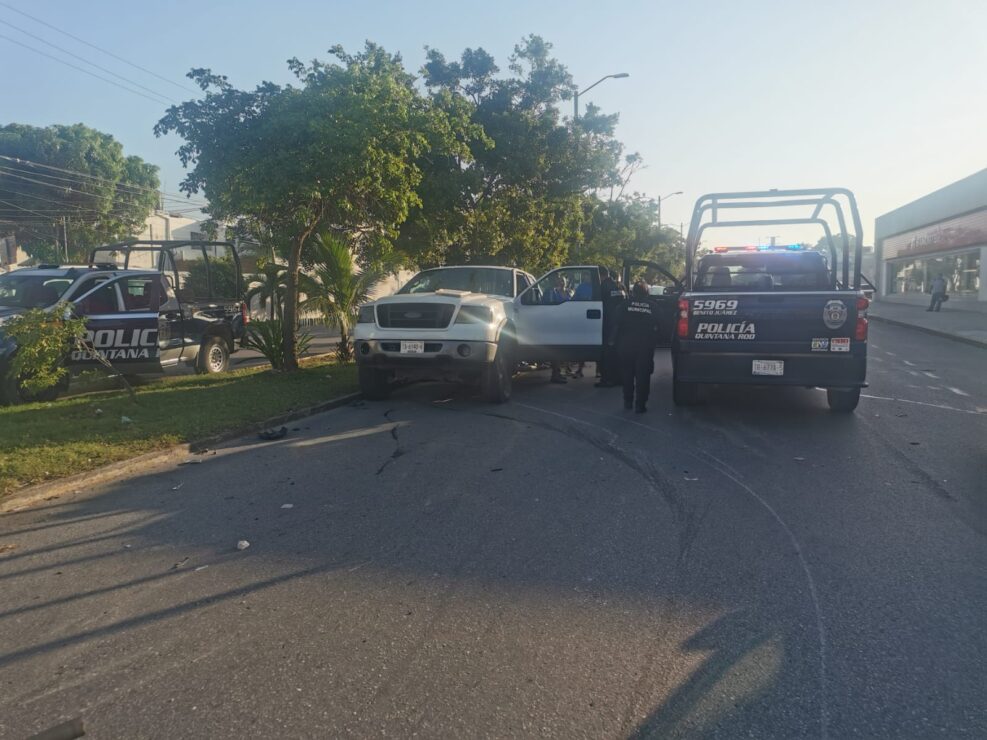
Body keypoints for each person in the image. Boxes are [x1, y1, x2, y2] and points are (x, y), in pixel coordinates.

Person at [615, 281, 660, 413]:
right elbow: (661, 324)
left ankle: (628, 401)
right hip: (645, 345)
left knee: (627, 373)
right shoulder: (653, 306)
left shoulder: (624, 305)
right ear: (647, 293)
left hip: (626, 344)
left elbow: (615, 322)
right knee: (643, 375)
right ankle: (640, 404)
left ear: (633, 292)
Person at [595, 268, 626, 388]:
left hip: (607, 322)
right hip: (620, 323)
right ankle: (619, 378)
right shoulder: (620, 286)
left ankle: (607, 379)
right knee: (617, 352)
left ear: (600, 275)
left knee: (606, 353)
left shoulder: (603, 286)